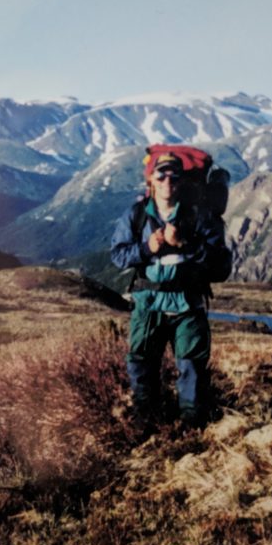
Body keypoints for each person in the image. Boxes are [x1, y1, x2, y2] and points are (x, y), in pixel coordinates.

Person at [110, 146, 232, 434]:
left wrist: (185, 245)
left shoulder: (201, 217)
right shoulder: (137, 215)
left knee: (192, 367)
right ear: (151, 179)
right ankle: (147, 423)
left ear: (182, 181)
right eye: (161, 175)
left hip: (188, 304)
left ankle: (192, 427)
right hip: (148, 302)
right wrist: (146, 248)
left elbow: (221, 267)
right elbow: (118, 256)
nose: (168, 181)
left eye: (174, 176)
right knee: (142, 363)